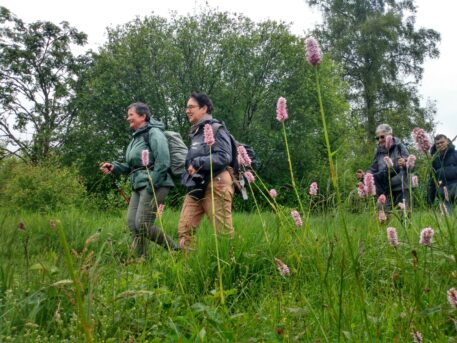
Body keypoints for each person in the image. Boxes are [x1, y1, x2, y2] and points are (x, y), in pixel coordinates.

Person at [100, 102, 178, 256]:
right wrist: (114, 167)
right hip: (138, 185)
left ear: (143, 116)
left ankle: (175, 250)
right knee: (132, 224)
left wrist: (151, 184)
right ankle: (141, 260)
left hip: (155, 184)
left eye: (131, 115)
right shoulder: (135, 139)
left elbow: (163, 161)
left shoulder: (154, 133)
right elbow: (132, 166)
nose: (128, 118)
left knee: (143, 224)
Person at [178, 92, 235, 248]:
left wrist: (197, 162)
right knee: (185, 229)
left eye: (191, 107)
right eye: (186, 107)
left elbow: (224, 157)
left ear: (204, 108)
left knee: (222, 232)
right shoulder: (196, 132)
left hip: (216, 184)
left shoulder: (217, 129)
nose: (187, 110)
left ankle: (228, 268)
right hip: (196, 186)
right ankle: (185, 267)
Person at [356, 123, 412, 211]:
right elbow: (373, 168)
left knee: (404, 215)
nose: (380, 140)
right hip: (384, 188)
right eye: (377, 138)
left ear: (390, 135)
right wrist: (365, 175)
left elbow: (410, 163)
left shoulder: (399, 146)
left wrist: (404, 163)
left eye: (382, 137)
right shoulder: (379, 150)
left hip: (401, 187)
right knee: (383, 214)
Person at [427, 134, 457, 213]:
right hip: (443, 194)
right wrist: (430, 200)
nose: (440, 145)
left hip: (455, 189)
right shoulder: (434, 160)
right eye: (437, 143)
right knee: (448, 218)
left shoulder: (455, 154)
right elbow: (432, 181)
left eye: (442, 142)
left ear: (447, 141)